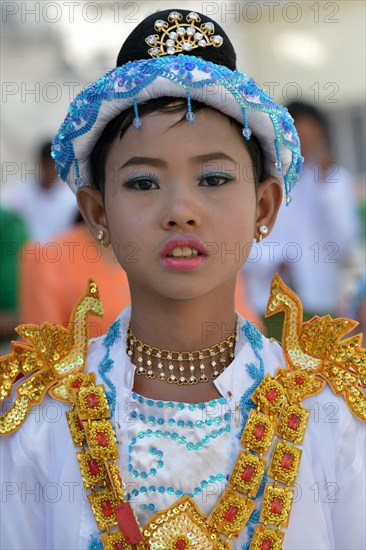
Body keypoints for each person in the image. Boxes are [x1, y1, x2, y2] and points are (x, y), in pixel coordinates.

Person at [0, 9, 364, 550]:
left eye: (214, 178)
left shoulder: (329, 412)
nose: (180, 210)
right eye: (143, 182)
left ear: (263, 205)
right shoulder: (41, 420)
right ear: (97, 213)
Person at [242, 101, 361, 341]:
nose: (305, 142)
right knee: (280, 370)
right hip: (271, 299)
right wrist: (275, 259)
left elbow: (345, 241)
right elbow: (243, 240)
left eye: (311, 134)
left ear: (322, 135)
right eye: (299, 134)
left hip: (319, 298)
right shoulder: (267, 179)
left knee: (320, 371)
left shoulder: (335, 180)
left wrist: (328, 186)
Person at [2, 141, 78, 243]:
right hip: (26, 253)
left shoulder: (71, 200)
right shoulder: (20, 193)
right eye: (48, 164)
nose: (52, 170)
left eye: (55, 165)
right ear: (40, 163)